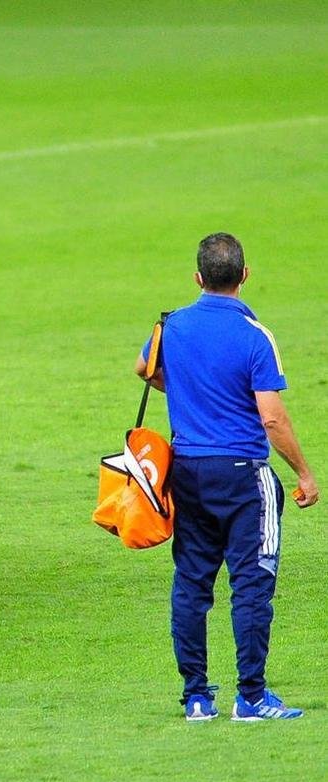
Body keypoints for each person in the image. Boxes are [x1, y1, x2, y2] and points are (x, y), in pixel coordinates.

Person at [136, 232, 318, 722]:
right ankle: (252, 696)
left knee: (192, 583)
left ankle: (196, 696)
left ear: (198, 278)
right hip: (243, 476)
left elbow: (142, 367)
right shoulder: (254, 335)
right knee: (253, 584)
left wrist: (188, 391)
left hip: (188, 472)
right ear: (244, 275)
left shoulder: (170, 326)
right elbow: (273, 419)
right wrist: (304, 473)